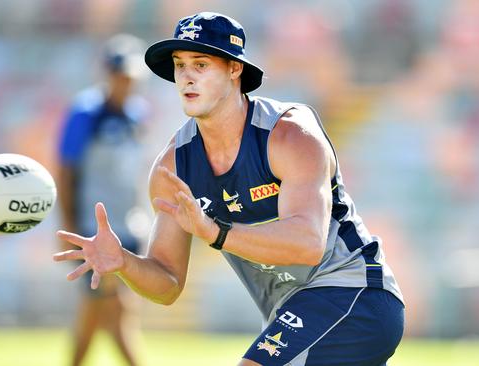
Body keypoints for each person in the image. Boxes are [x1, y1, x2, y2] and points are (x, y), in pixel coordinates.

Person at [55, 12, 404, 366]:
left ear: (235, 69)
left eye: (201, 64)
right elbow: (168, 283)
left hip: (356, 293)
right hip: (296, 312)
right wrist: (124, 263)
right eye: (179, 65)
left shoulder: (290, 135)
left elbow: (308, 243)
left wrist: (216, 232)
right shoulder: (173, 167)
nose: (186, 77)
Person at [56, 33, 148, 366]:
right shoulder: (86, 113)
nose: (127, 83)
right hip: (95, 230)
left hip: (129, 224)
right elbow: (66, 173)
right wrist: (68, 225)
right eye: (121, 75)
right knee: (116, 309)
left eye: (132, 76)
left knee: (98, 311)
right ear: (108, 74)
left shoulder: (137, 114)